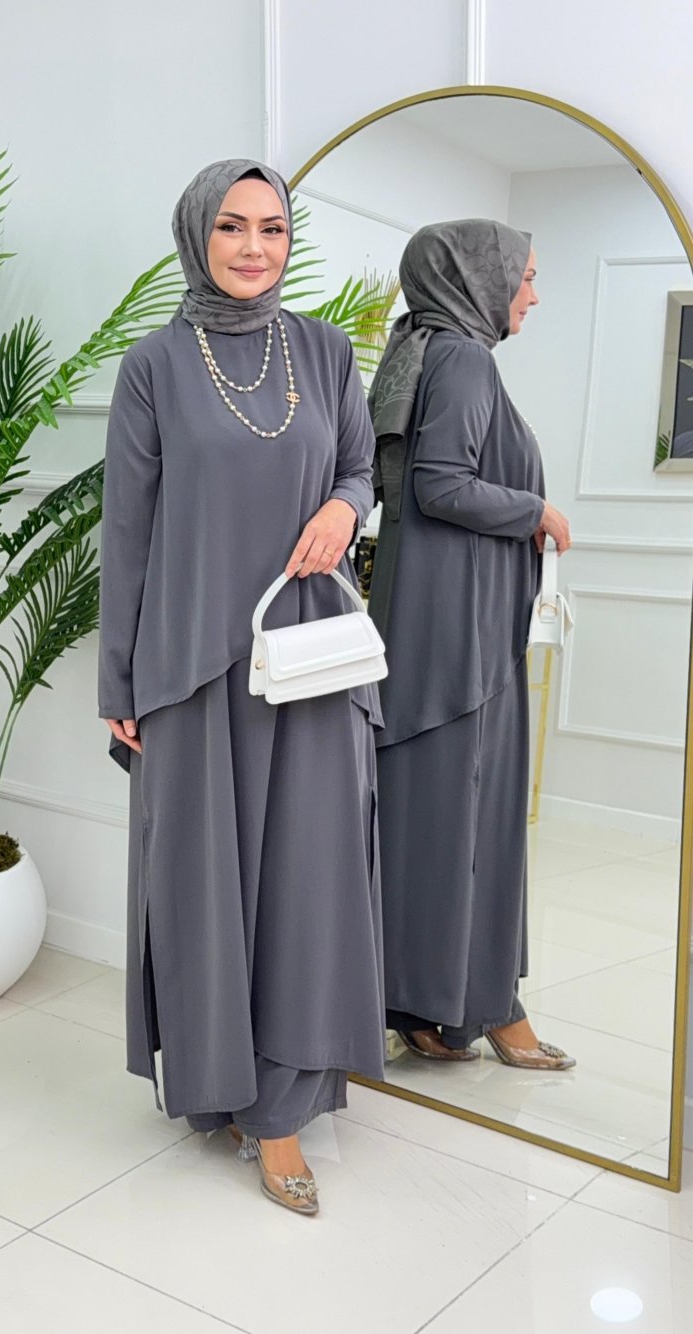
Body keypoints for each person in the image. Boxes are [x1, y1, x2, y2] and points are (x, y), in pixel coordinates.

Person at [98, 159, 385, 1215]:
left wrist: (345, 509)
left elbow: (359, 467)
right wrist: (120, 680)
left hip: (307, 660)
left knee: (306, 881)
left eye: (272, 227)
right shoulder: (153, 367)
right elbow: (126, 533)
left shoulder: (326, 349)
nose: (255, 247)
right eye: (232, 226)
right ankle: (218, 1081)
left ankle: (281, 1111)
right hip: (192, 664)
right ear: (197, 235)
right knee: (203, 886)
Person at [366, 218, 576, 1071]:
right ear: (478, 279)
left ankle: (426, 1010)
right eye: (525, 276)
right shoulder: (462, 359)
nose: (533, 294)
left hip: (435, 626)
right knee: (472, 825)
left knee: (431, 822)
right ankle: (487, 1008)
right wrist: (538, 512)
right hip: (462, 640)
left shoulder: (426, 349)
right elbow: (440, 486)